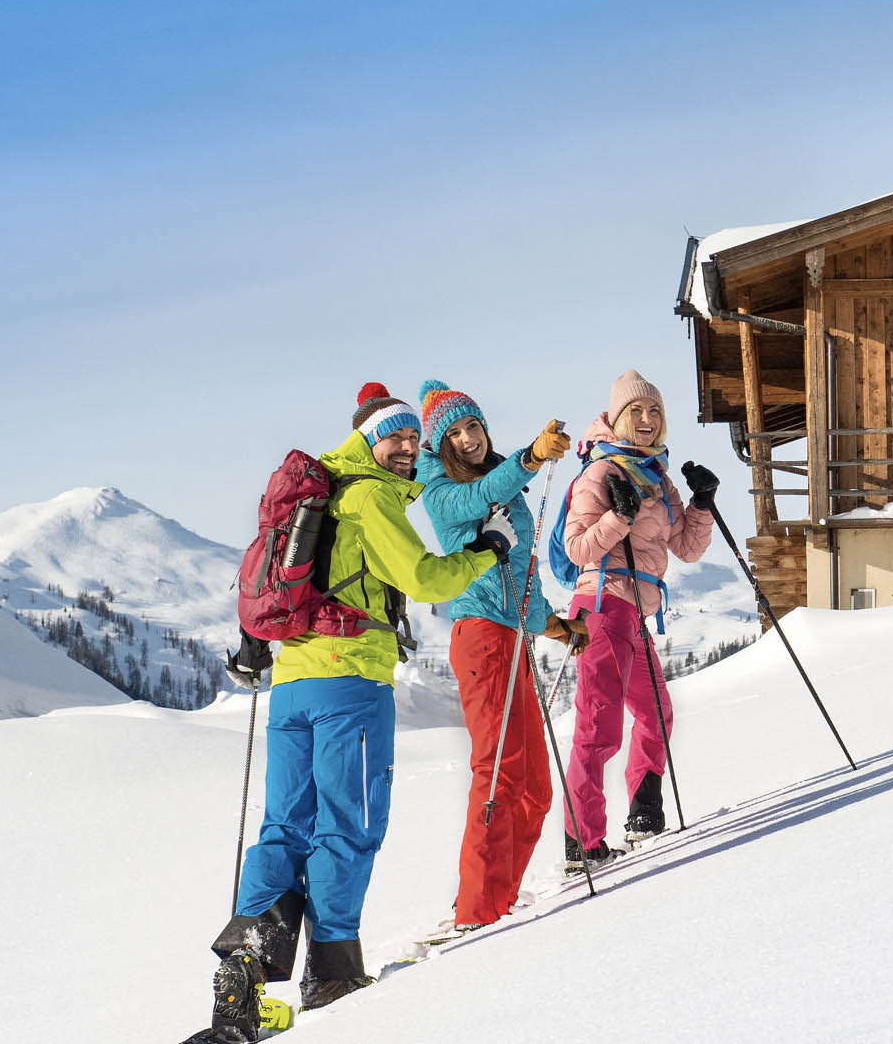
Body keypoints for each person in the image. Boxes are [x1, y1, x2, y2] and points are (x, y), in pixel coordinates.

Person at [193, 383, 509, 1044]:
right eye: (394, 436)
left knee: (284, 827)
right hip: (350, 684)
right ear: (368, 437)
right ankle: (332, 972)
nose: (404, 449)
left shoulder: (321, 489)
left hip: (293, 685)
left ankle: (243, 974)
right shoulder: (366, 496)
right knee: (348, 824)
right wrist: (489, 550)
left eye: (411, 441)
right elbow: (424, 578)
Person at [412, 379, 590, 935]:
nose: (467, 438)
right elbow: (477, 497)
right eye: (455, 433)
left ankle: (499, 900)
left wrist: (559, 628)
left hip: (512, 636)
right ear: (440, 447)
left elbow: (524, 577)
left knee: (535, 784)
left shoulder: (504, 492)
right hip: (480, 638)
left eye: (473, 426)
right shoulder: (441, 492)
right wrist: (533, 457)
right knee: (498, 774)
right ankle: (477, 912)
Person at [559, 369, 719, 873]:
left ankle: (645, 813)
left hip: (635, 614)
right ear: (619, 417)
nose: (647, 420)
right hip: (601, 609)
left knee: (656, 714)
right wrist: (618, 517)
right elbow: (577, 547)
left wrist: (701, 505)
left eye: (654, 412)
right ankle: (581, 841)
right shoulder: (598, 474)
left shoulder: (657, 477)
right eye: (637, 412)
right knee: (598, 728)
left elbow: (688, 549)